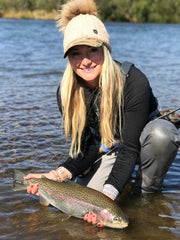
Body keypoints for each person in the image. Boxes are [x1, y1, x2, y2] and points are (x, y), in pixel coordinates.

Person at [24, 0, 180, 226]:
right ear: (68, 58)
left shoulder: (133, 81)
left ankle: (145, 196)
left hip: (140, 140)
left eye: (92, 50)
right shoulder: (67, 93)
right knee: (79, 206)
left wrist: (108, 197)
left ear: (105, 50)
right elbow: (87, 148)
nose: (85, 61)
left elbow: (129, 148)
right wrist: (57, 175)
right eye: (76, 53)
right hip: (109, 146)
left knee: (162, 134)